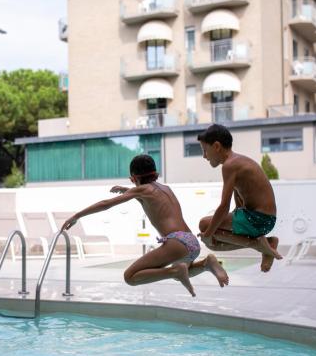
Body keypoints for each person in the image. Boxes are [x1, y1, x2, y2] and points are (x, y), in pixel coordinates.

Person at [61, 154, 229, 297]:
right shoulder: (166, 188)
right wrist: (127, 189)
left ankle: (175, 271)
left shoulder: (140, 191)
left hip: (177, 242)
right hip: (191, 242)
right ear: (155, 173)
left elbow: (106, 203)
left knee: (131, 276)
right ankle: (206, 263)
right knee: (185, 271)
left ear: (133, 178)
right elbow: (149, 195)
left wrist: (77, 216)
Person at [196, 124, 282, 272]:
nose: (204, 156)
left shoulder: (230, 165)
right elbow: (239, 204)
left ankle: (259, 246)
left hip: (258, 219)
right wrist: (209, 236)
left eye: (205, 150)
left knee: (204, 225)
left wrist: (207, 233)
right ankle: (267, 243)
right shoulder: (237, 162)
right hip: (265, 220)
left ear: (216, 146)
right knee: (213, 243)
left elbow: (224, 207)